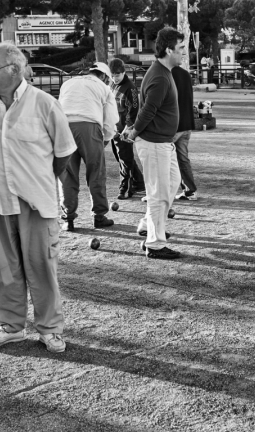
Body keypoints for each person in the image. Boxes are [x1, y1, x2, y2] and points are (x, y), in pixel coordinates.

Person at [0, 41, 76, 353]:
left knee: (41, 269)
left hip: (37, 205)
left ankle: (49, 329)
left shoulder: (44, 104)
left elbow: (64, 154)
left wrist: (39, 180)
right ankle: (9, 328)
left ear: (13, 71)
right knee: (3, 270)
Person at [121, 27, 185, 260]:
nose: (183, 54)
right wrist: (134, 131)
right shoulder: (159, 75)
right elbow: (147, 110)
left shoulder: (163, 71)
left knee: (171, 183)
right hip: (154, 143)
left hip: (162, 142)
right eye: (180, 49)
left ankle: (148, 225)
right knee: (158, 194)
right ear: (168, 50)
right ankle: (155, 245)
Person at [57, 62, 118, 230]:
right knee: (96, 172)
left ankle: (68, 219)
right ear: (105, 76)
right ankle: (99, 216)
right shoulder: (104, 88)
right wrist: (105, 138)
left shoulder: (68, 83)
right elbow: (111, 119)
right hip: (89, 127)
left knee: (67, 174)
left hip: (64, 127)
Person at [108, 58, 145, 200]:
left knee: (125, 158)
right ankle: (139, 182)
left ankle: (125, 189)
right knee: (121, 157)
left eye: (117, 75)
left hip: (124, 130)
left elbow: (134, 110)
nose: (114, 78)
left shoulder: (130, 88)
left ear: (124, 72)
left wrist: (127, 129)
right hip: (114, 128)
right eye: (112, 75)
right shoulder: (112, 84)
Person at [172, 65, 199, 201]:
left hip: (174, 125)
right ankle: (189, 190)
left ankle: (159, 192)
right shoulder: (186, 74)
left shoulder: (166, 74)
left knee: (162, 158)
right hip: (187, 123)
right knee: (183, 158)